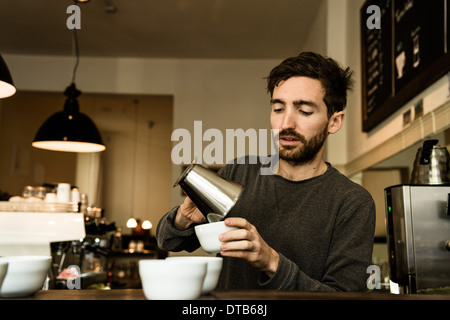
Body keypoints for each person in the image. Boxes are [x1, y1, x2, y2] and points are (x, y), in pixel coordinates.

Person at [156, 52, 375, 292]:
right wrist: (184, 219)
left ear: (335, 121)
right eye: (279, 109)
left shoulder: (352, 202)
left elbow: (345, 297)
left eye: (304, 111)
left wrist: (271, 262)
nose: (286, 124)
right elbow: (168, 241)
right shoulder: (239, 172)